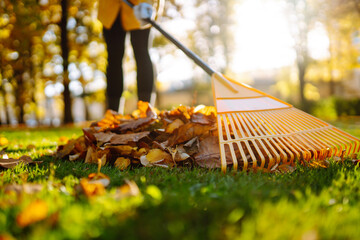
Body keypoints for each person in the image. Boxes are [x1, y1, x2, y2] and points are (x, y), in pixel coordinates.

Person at [98, 0, 155, 112]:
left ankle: (146, 111)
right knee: (114, 58)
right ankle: (113, 113)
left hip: (140, 3)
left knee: (142, 53)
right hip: (111, 7)